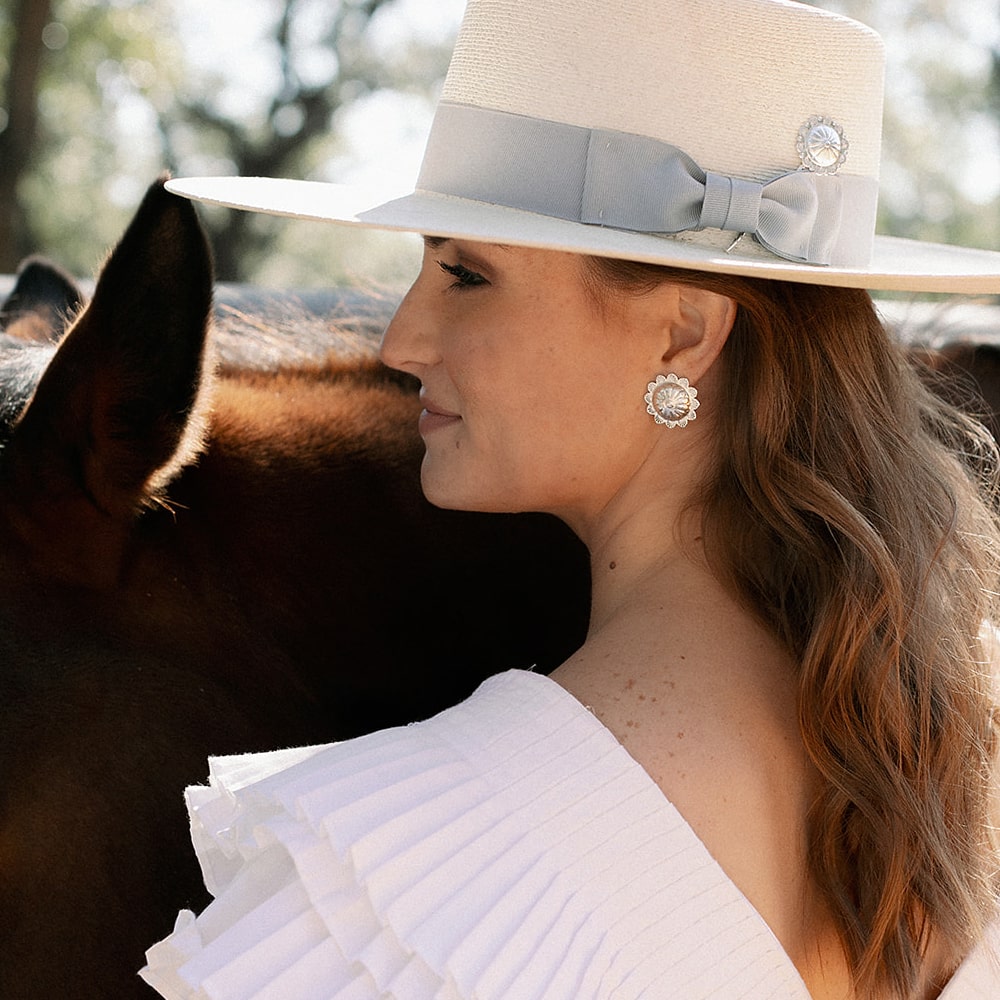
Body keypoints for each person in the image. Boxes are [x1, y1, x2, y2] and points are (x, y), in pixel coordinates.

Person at [144, 0, 1000, 997]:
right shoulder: (949, 782)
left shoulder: (412, 897)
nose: (401, 340)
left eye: (467, 274)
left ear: (684, 335)